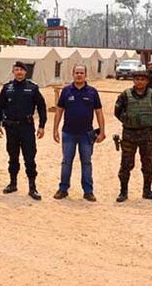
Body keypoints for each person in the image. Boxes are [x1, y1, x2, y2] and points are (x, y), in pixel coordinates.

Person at [52, 65, 105, 202]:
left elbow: (99, 112)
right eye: (77, 73)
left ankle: (88, 191)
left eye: (81, 73)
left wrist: (102, 131)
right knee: (66, 162)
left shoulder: (92, 92)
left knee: (86, 163)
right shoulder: (66, 91)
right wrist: (55, 129)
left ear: (85, 74)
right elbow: (59, 110)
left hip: (86, 135)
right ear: (73, 74)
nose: (79, 75)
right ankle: (63, 189)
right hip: (68, 133)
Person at [0, 61, 47, 200]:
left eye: (21, 70)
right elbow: (0, 107)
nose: (19, 72)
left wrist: (42, 126)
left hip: (27, 128)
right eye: (16, 69)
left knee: (29, 158)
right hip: (11, 128)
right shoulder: (7, 88)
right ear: (13, 71)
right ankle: (13, 183)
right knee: (13, 157)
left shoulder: (32, 88)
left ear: (25, 72)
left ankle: (32, 187)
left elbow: (42, 107)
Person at [115, 70, 152, 202]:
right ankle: (123, 192)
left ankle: (147, 191)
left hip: (147, 135)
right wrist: (129, 121)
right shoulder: (125, 95)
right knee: (126, 164)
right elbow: (117, 112)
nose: (139, 81)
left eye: (142, 79)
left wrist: (146, 123)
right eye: (137, 79)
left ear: (147, 81)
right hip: (129, 134)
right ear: (133, 80)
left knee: (148, 164)